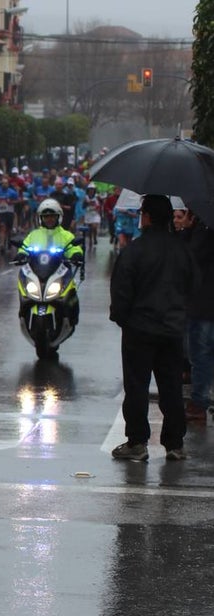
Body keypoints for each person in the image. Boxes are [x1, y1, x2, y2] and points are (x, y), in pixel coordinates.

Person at [109, 194, 193, 462]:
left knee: (137, 387)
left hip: (139, 331)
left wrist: (124, 320)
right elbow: (192, 286)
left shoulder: (134, 250)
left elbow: (121, 292)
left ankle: (137, 442)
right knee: (171, 388)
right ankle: (175, 443)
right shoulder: (182, 250)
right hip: (171, 331)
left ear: (146, 216)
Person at [179, 208, 214, 422]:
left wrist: (187, 230)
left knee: (201, 354)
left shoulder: (205, 226)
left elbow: (191, 256)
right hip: (204, 301)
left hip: (205, 303)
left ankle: (199, 403)